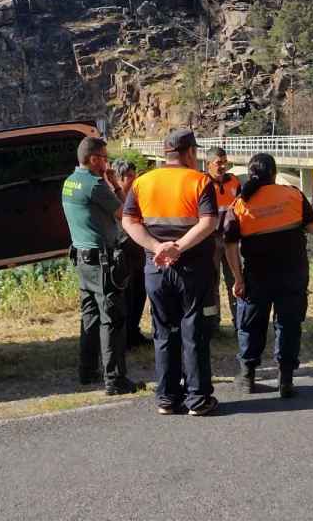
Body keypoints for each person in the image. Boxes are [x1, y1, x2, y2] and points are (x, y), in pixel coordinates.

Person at [122, 128, 220, 416]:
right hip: (192, 267)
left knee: (163, 332)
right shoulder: (200, 180)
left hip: (156, 268)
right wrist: (178, 246)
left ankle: (167, 398)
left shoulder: (142, 182)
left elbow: (129, 222)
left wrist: (156, 247)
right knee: (194, 331)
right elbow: (209, 222)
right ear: (189, 152)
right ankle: (198, 399)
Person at [224, 154, 313, 398]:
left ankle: (247, 376)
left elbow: (230, 245)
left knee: (251, 325)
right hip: (293, 274)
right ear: (275, 173)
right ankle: (285, 380)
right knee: (288, 324)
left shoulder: (240, 204)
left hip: (257, 276)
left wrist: (238, 279)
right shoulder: (293, 195)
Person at [61, 137, 142, 395]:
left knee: (90, 316)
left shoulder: (70, 182)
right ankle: (115, 380)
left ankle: (87, 371)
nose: (107, 162)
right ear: (94, 159)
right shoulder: (95, 185)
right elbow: (124, 212)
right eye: (105, 158)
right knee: (112, 319)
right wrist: (115, 184)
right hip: (102, 262)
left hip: (82, 259)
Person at [111, 158, 150, 349]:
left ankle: (134, 331)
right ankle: (125, 336)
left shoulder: (137, 195)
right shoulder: (112, 197)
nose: (134, 181)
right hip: (123, 250)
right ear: (118, 178)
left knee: (140, 292)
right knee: (126, 294)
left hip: (139, 250)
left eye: (135, 177)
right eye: (130, 178)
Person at [206, 146, 241, 333]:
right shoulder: (202, 183)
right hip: (210, 241)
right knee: (211, 283)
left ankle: (239, 321)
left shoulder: (234, 181)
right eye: (218, 163)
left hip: (231, 240)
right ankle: (213, 324)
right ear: (208, 164)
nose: (222, 166)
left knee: (235, 279)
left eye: (224, 162)